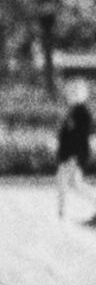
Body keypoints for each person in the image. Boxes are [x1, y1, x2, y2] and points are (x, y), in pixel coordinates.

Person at [58, 74, 93, 221]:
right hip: (68, 154)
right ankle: (61, 212)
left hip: (75, 154)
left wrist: (74, 156)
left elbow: (80, 137)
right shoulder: (73, 111)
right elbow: (66, 134)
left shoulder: (82, 113)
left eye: (74, 91)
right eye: (70, 90)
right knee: (65, 181)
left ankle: (62, 212)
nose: (69, 94)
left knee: (74, 183)